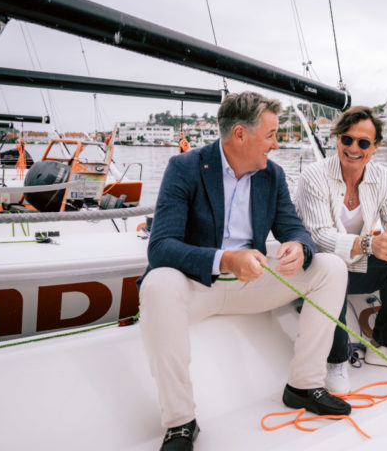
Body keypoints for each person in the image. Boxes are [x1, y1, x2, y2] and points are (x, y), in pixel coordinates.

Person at [139, 92, 350, 451]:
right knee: (158, 284)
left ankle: (303, 385)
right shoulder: (185, 167)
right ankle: (180, 423)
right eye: (270, 135)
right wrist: (226, 260)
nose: (276, 143)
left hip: (252, 283)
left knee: (331, 266)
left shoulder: (273, 175)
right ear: (240, 134)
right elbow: (160, 247)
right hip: (197, 286)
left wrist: (298, 246)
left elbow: (294, 228)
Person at [295, 106, 387, 394]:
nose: (354, 148)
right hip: (315, 268)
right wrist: (367, 244)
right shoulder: (314, 176)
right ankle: (335, 361)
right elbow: (319, 235)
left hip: (354, 263)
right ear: (337, 139)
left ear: (375, 147)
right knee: (333, 267)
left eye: (363, 143)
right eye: (347, 139)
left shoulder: (382, 177)